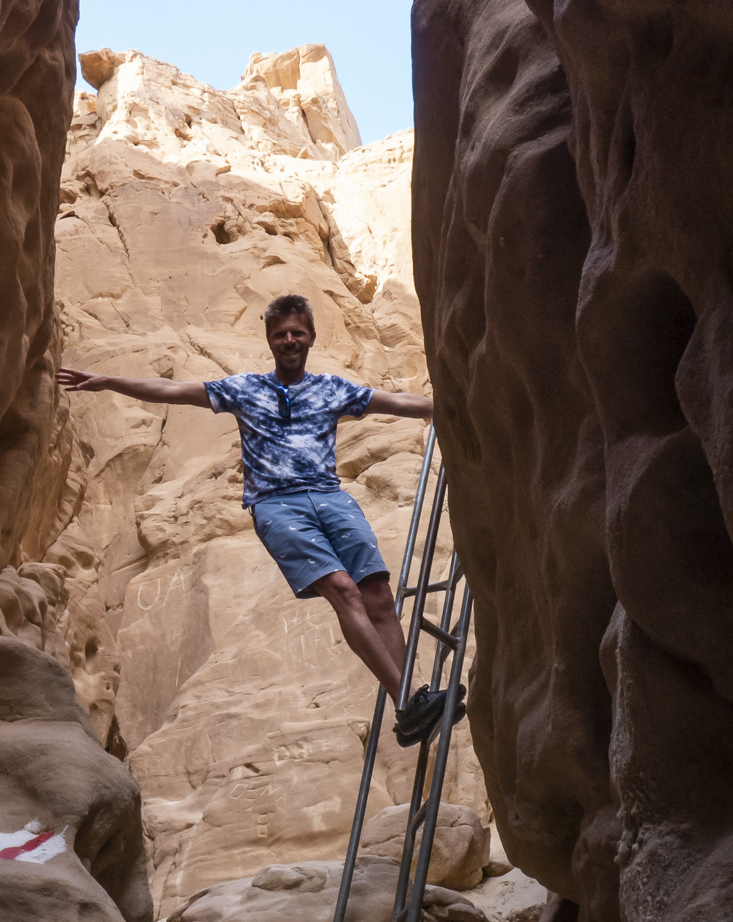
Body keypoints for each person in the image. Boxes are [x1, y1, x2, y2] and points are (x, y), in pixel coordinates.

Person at [56, 293, 464, 746]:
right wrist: (108, 382)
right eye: (280, 334)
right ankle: (408, 702)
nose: (289, 340)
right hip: (277, 505)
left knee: (379, 596)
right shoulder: (245, 389)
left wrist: (453, 403)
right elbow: (173, 390)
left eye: (297, 333)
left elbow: (398, 402)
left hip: (331, 498)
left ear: (311, 337)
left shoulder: (332, 389)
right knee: (343, 590)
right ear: (270, 340)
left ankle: (414, 702)